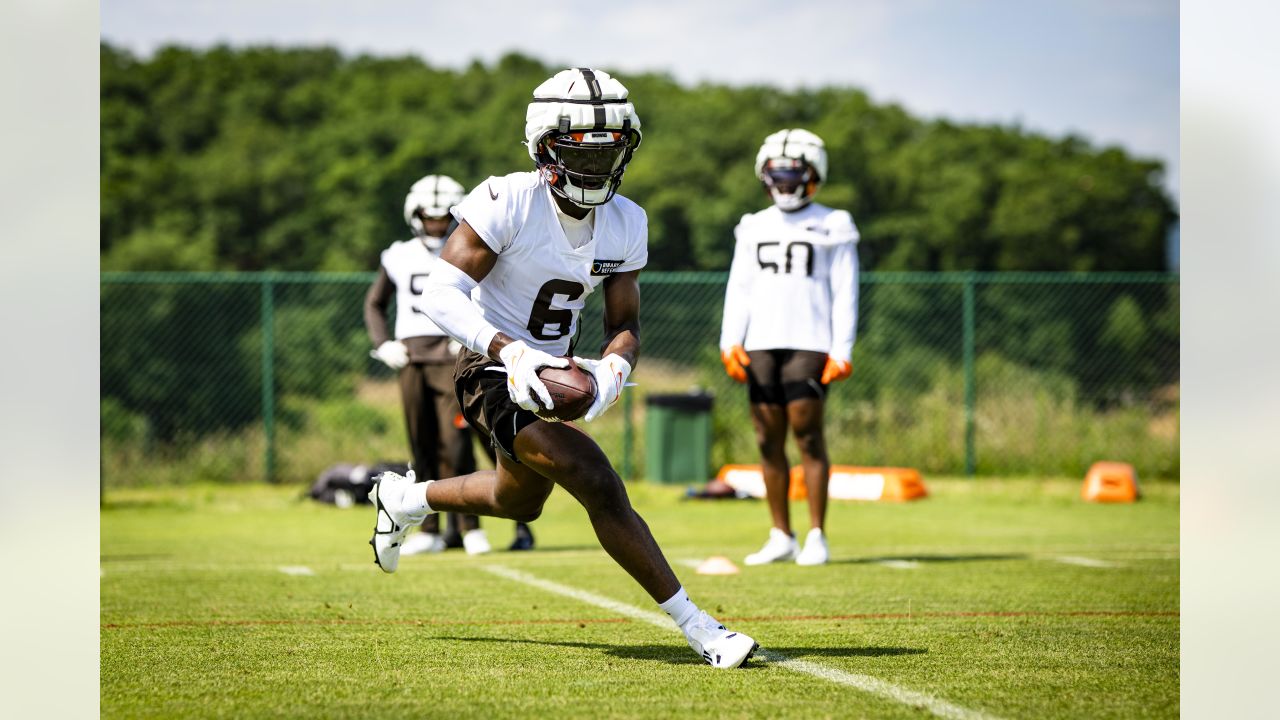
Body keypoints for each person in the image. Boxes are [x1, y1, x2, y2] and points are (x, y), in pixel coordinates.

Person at [366, 68, 758, 669]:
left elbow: (623, 323)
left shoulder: (627, 220)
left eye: (609, 153)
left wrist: (612, 372)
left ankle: (406, 497)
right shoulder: (508, 199)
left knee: (516, 500)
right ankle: (701, 628)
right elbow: (439, 296)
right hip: (488, 365)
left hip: (556, 371)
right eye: (583, 154)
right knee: (595, 477)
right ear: (546, 148)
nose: (597, 168)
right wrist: (511, 351)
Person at [365, 175, 531, 555]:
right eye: (430, 218)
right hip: (410, 357)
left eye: (443, 219)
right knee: (419, 442)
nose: (437, 225)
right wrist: (383, 343)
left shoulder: (470, 249)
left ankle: (470, 527)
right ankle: (430, 530)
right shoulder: (398, 255)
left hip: (452, 355)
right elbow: (374, 303)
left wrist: (472, 332)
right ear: (415, 216)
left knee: (455, 443)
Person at [718, 129, 860, 567]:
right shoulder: (754, 225)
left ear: (812, 175)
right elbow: (739, 286)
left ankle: (817, 534)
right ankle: (781, 533)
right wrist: (730, 340)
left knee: (808, 434)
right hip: (761, 341)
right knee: (766, 438)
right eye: (776, 175)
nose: (783, 183)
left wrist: (843, 348)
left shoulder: (834, 222)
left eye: (791, 174)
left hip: (810, 340)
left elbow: (845, 288)